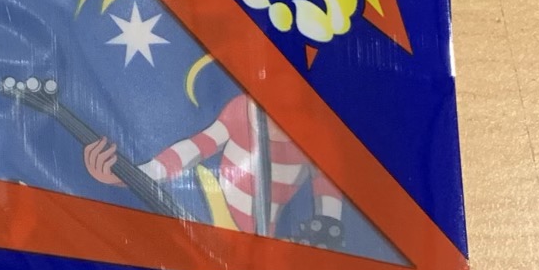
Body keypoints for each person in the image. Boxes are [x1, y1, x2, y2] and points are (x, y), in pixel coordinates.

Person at [83, 90, 344, 245]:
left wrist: (325, 228)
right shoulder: (243, 110)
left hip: (260, 253)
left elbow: (328, 195)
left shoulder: (321, 138)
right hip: (208, 231)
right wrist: (131, 175)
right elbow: (193, 149)